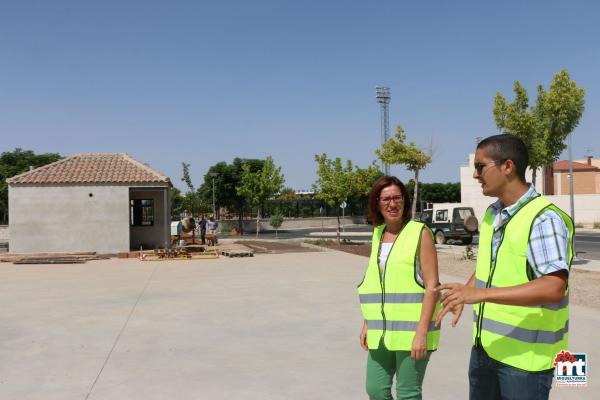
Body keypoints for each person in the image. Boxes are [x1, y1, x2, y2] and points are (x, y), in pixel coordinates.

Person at [435, 134, 574, 400]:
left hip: (526, 361)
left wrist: (479, 295)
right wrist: (465, 292)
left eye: (480, 166)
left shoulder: (543, 218)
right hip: (486, 349)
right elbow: (489, 268)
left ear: (507, 166)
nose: (476, 175)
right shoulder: (492, 214)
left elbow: (554, 286)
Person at [358, 176, 441, 400]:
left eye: (397, 198)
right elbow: (378, 283)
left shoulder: (420, 233)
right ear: (377, 203)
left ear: (405, 200)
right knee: (375, 389)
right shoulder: (378, 234)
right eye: (386, 199)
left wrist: (422, 333)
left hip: (413, 332)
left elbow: (432, 287)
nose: (392, 204)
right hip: (381, 332)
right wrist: (368, 323)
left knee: (408, 394)